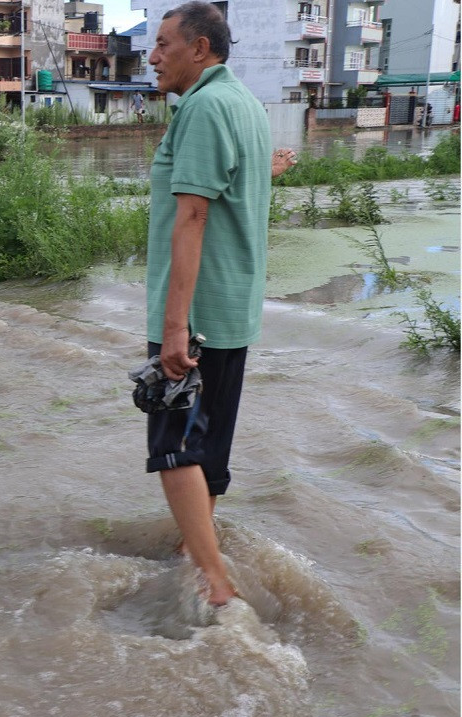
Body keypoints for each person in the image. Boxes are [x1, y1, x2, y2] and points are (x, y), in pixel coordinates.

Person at [143, 2, 295, 606]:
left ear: (199, 49)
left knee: (173, 448)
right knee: (208, 448)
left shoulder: (204, 108)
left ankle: (215, 582)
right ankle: (193, 554)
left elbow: (195, 215)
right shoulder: (245, 106)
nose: (152, 57)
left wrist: (174, 326)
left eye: (162, 44)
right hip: (234, 311)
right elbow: (239, 189)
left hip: (198, 313)